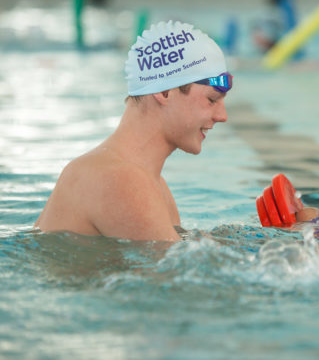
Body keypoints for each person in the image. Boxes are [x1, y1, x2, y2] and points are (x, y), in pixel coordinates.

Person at [34, 21, 233, 241]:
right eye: (212, 99)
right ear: (165, 91)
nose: (222, 116)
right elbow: (186, 272)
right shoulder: (121, 180)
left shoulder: (150, 183)